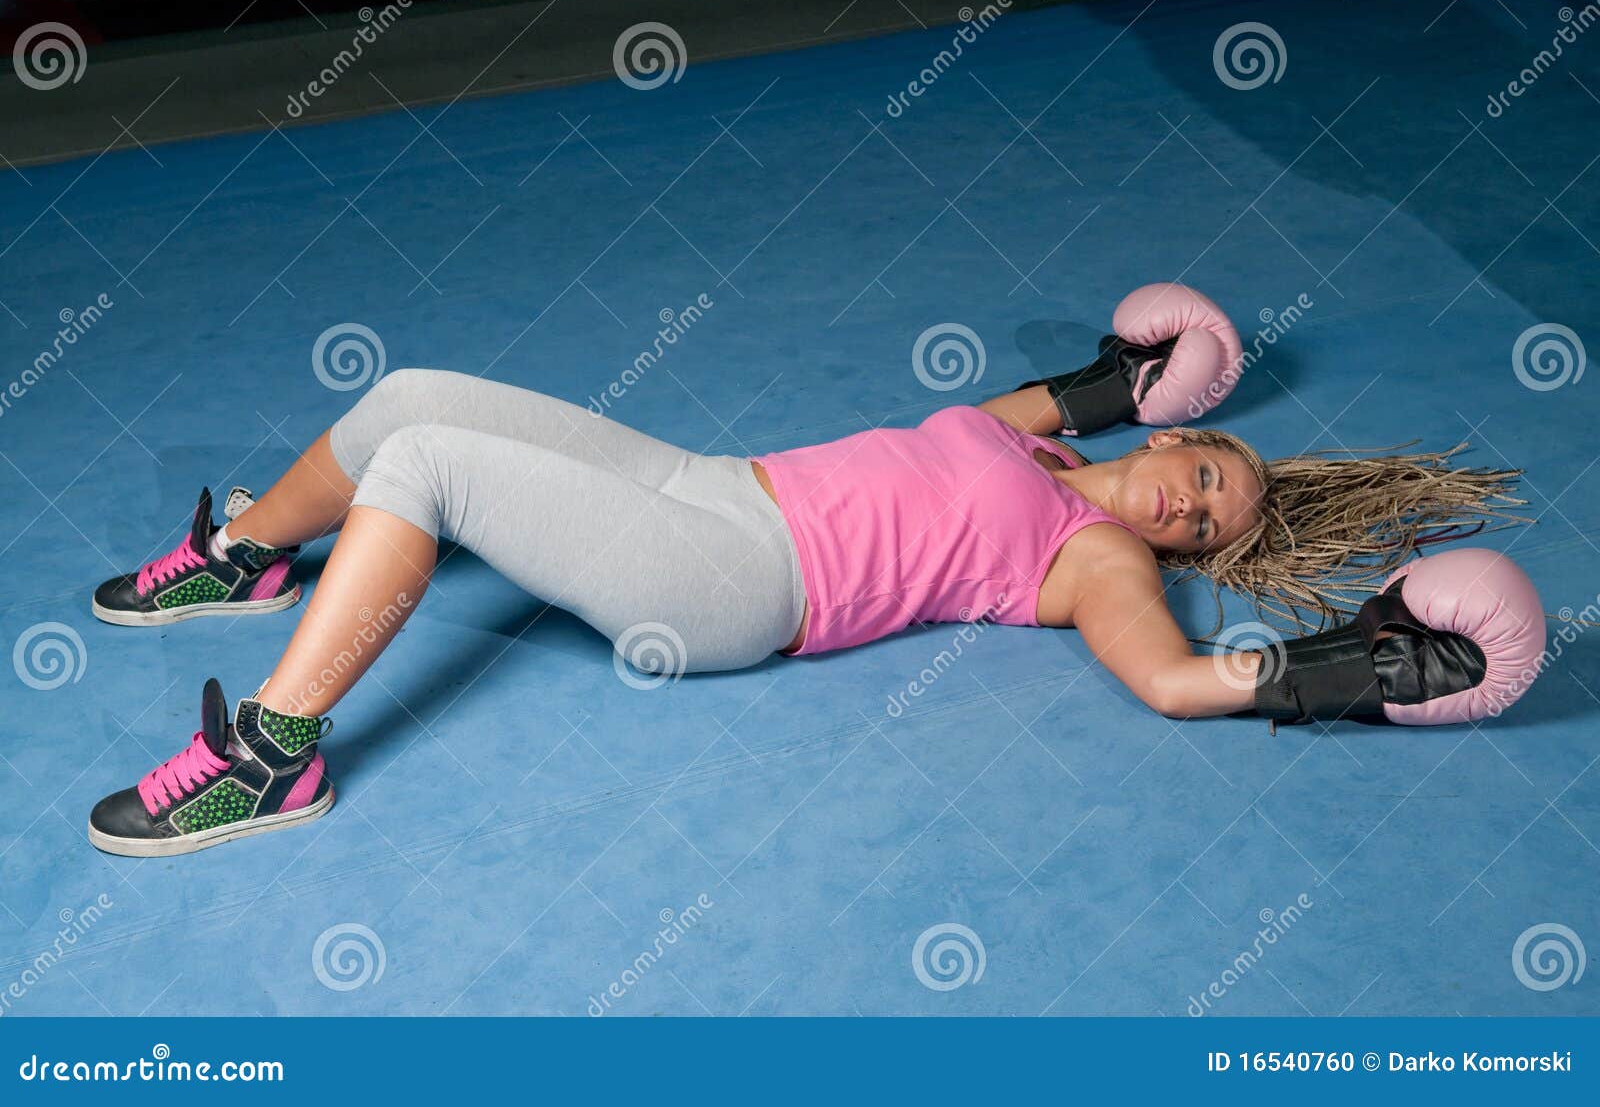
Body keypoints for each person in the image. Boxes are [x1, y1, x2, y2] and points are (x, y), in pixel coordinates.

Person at [83, 285, 1542, 857]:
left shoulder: (1092, 550)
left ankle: (274, 753)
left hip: (739, 587)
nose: (1192, 495)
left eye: (1213, 517)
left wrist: (1351, 665)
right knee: (403, 394)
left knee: (424, 473)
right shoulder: (1036, 447)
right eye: (1210, 460)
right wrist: (1140, 371)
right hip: (713, 485)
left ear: (1191, 544)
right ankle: (247, 557)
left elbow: (1165, 681)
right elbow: (1089, 391)